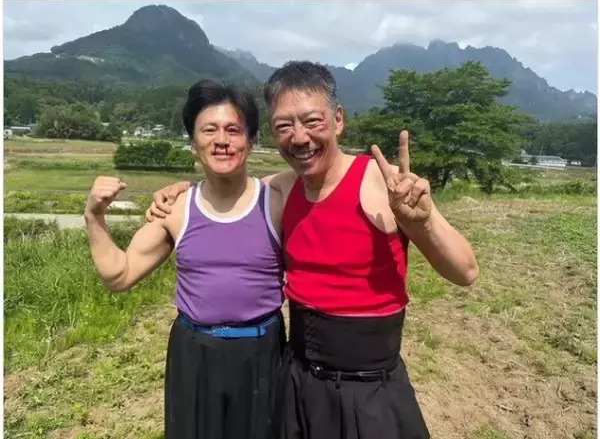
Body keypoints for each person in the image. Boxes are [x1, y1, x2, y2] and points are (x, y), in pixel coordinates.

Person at [147, 61, 480, 439]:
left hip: (370, 388)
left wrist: (422, 223)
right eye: (284, 126)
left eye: (312, 121)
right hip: (297, 382)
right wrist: (180, 190)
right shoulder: (281, 189)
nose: (300, 138)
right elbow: (228, 189)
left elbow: (465, 271)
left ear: (338, 120)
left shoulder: (381, 182)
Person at [84, 79, 286, 439]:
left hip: (263, 352)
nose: (221, 140)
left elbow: (326, 179)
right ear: (193, 143)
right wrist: (94, 216)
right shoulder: (177, 209)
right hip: (193, 354)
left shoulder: (277, 202)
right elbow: (119, 275)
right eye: (209, 130)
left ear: (252, 140)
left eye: (233, 130)